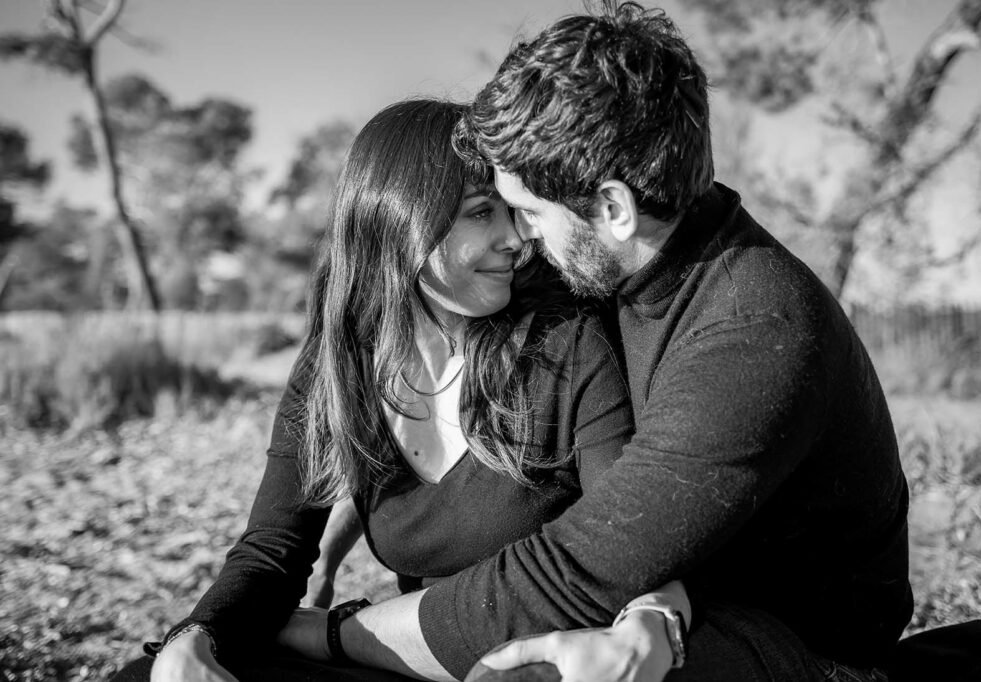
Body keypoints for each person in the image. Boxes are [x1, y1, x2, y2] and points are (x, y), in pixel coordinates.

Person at [274, 3, 914, 681]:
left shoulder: (755, 330)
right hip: (653, 592)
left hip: (796, 644)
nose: (520, 241)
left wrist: (335, 633)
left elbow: (577, 572)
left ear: (613, 208)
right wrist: (344, 520)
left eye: (527, 213)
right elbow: (430, 362)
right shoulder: (609, 260)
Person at [111, 98, 689, 682]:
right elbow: (272, 552)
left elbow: (630, 546)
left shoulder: (567, 346)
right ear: (399, 219)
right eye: (481, 212)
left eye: (512, 212)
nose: (515, 239)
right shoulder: (336, 369)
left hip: (533, 661)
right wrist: (196, 639)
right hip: (394, 657)